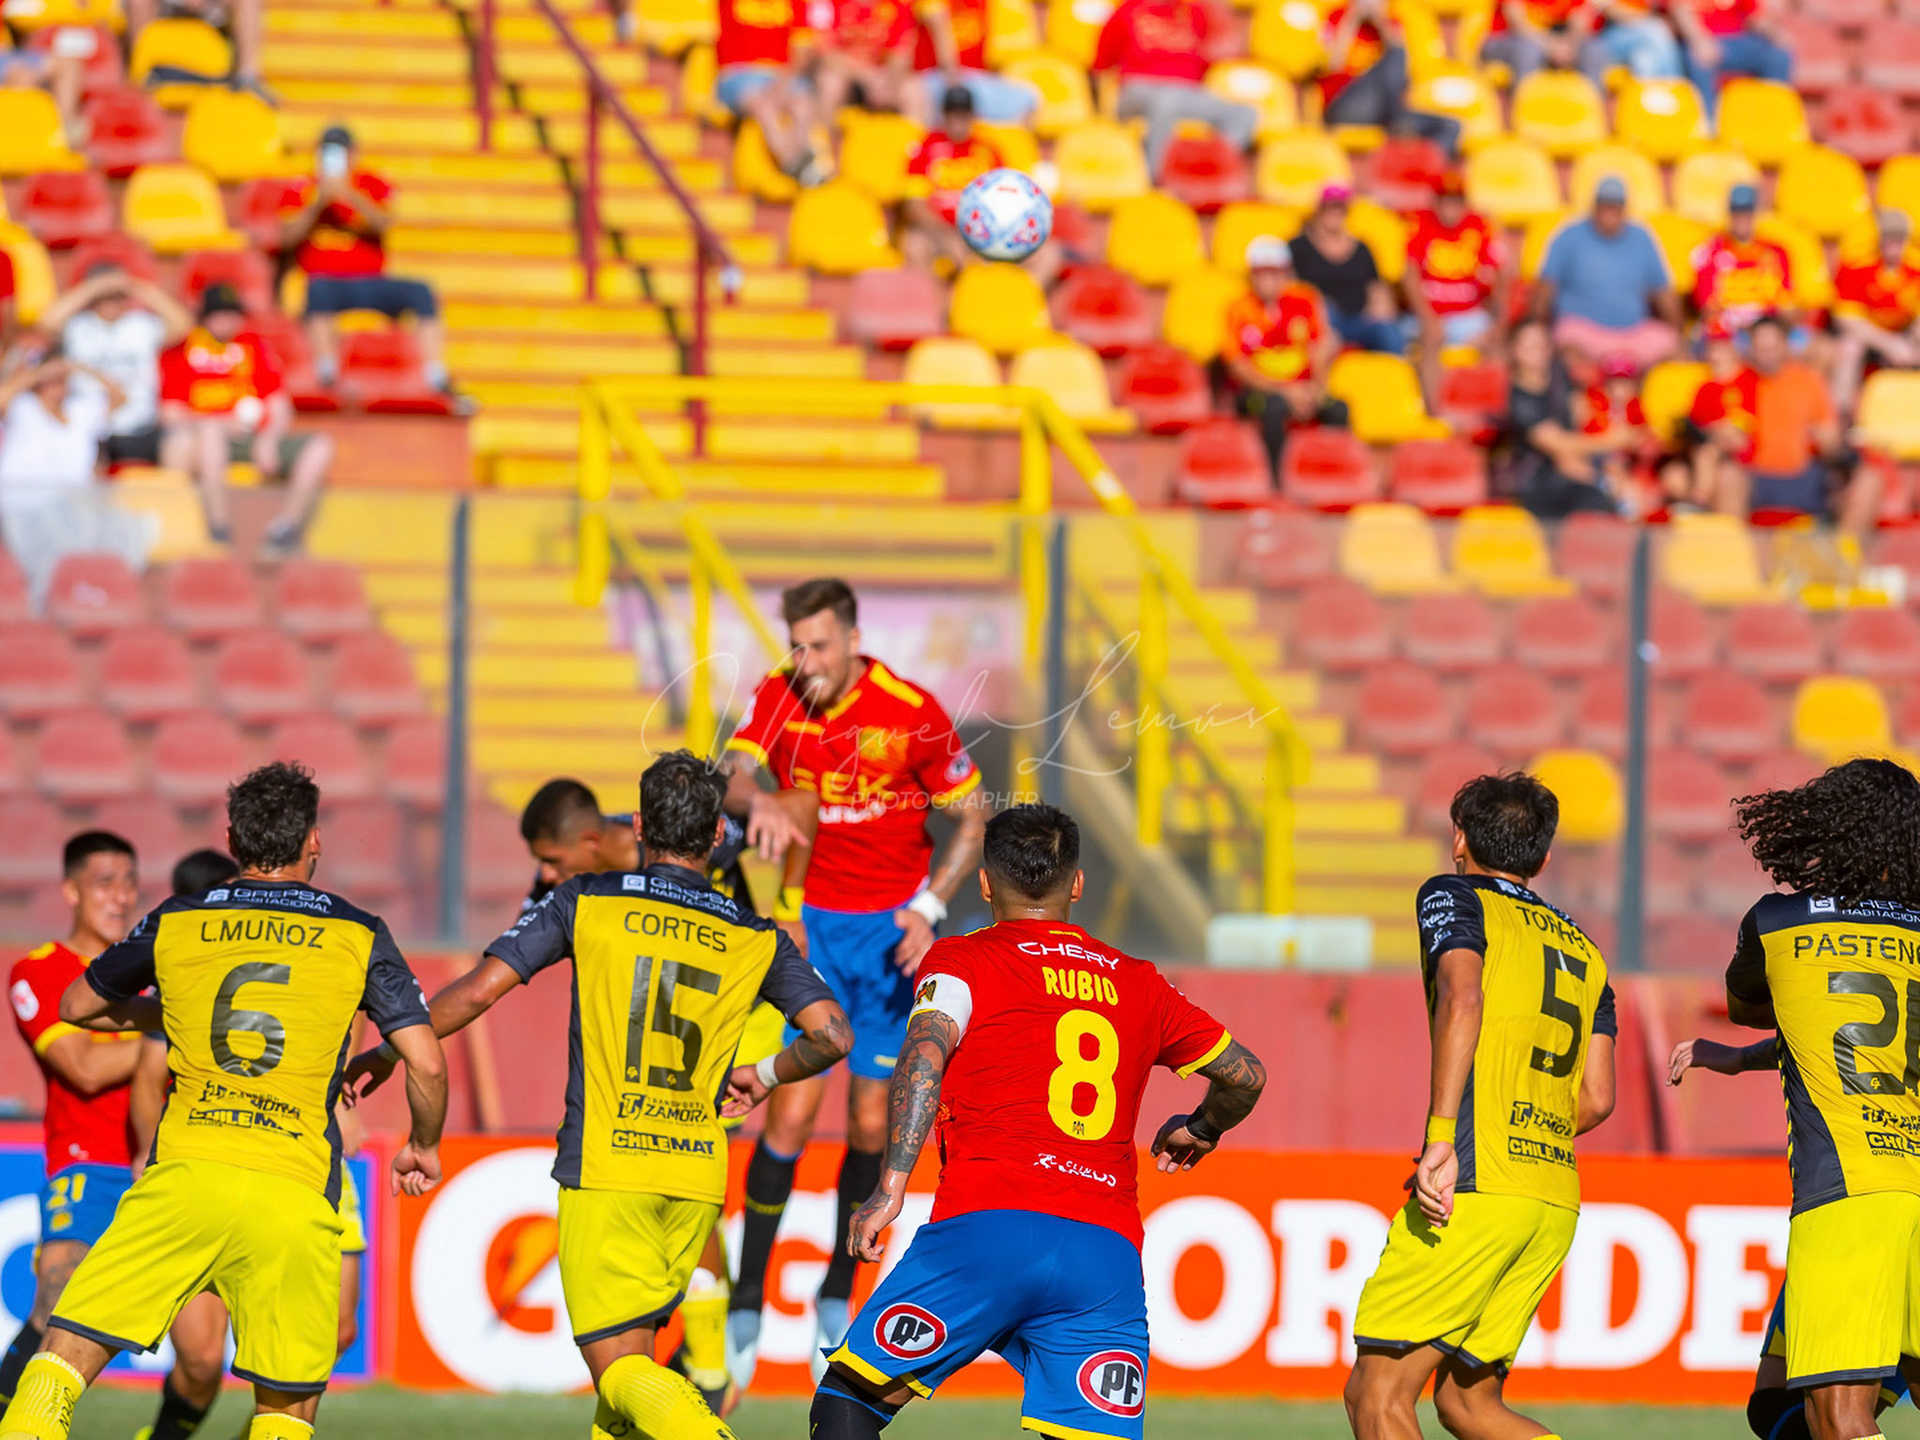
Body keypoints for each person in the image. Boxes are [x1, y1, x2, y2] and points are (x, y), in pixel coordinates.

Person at [345, 750, 855, 1440]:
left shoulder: (584, 902)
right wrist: (763, 1076)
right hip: (695, 1175)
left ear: (639, 825)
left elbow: (476, 992)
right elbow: (832, 1036)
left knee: (618, 1369)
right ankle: (708, 1369)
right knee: (619, 1407)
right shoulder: (755, 936)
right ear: (714, 838)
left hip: (608, 1168)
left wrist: (386, 1047)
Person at [0, 761, 448, 1440]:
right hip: (294, 1193)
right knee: (283, 1413)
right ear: (314, 842)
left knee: (61, 1362)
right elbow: (427, 1062)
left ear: (234, 839)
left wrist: (175, 1017)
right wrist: (424, 1142)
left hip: (185, 1180)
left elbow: (79, 1005)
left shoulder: (181, 918)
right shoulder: (359, 931)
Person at [809, 803, 1266, 1439]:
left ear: (986, 884)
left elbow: (923, 1055)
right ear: (1077, 884)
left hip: (986, 1225)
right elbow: (1246, 1075)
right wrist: (1203, 1127)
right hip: (1103, 1254)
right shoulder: (1140, 982)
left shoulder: (962, 959)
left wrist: (890, 1185)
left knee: (848, 1400)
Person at [721, 577, 989, 1385]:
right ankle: (747, 1294)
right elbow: (730, 776)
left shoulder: (910, 711)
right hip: (807, 928)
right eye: (797, 644)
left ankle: (839, 1291)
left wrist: (932, 906)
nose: (806, 661)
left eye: (820, 645)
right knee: (790, 1117)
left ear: (853, 638)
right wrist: (759, 797)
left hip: (886, 943)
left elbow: (972, 818)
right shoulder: (779, 694)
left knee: (873, 1122)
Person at [514, 776, 801, 1416]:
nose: (544, 874)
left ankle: (709, 1364)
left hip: (726, 1026)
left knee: (673, 1152)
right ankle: (705, 1355)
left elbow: (767, 815)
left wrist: (780, 865)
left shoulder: (688, 842)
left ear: (592, 843)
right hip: (648, 1035)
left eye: (553, 862)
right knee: (677, 1174)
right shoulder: (574, 889)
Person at [1345, 772, 1617, 1440]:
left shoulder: (1453, 895)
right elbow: (1599, 1098)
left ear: (1459, 838)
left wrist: (1444, 1138)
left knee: (1377, 1396)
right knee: (1468, 1404)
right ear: (1544, 860)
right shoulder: (1587, 952)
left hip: (1473, 1184)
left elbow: (1463, 996)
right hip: (1550, 1194)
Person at [1724, 758, 1920, 1440]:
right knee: (1786, 1413)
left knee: (1835, 1418)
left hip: (1850, 1192)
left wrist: (1742, 1051)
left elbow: (1750, 1006)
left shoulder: (1778, 921)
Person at [0, 834, 144, 1411]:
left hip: (162, 1169)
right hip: (87, 1164)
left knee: (205, 1353)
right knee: (56, 1298)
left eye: (129, 882)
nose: (120, 896)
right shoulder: (39, 972)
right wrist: (169, 1032)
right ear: (70, 890)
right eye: (104, 882)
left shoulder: (149, 972)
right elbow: (83, 1067)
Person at [277, 126, 459, 404]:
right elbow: (286, 236)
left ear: (353, 155)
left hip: (371, 281)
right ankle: (327, 371)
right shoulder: (302, 187)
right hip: (326, 281)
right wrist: (317, 204)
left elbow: (384, 223)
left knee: (421, 292)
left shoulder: (370, 183)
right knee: (318, 292)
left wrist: (349, 195)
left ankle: (434, 373)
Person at [157, 283, 334, 559]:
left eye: (232, 314)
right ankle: (219, 527)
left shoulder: (253, 346)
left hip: (251, 436)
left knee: (320, 445)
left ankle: (286, 528)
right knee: (209, 432)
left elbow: (279, 405)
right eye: (219, 314)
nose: (227, 321)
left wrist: (269, 439)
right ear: (204, 317)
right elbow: (169, 414)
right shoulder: (182, 351)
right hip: (200, 438)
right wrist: (218, 421)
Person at [0, 357, 151, 608]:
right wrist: (37, 374)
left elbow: (121, 398)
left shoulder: (81, 411)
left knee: (116, 534)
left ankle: (82, 592)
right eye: (49, 383)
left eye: (60, 382)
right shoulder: (23, 407)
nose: (55, 387)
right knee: (36, 560)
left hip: (71, 499)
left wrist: (81, 368)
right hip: (23, 499)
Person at [38, 264, 196, 468]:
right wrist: (92, 288)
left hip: (139, 429)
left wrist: (134, 286)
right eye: (105, 296)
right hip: (90, 430)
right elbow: (45, 323)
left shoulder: (141, 325)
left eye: (116, 295)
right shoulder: (78, 326)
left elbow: (183, 323)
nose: (111, 301)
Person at [1735, 315, 1878, 534]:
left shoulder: (1809, 381)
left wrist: (1828, 443)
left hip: (1805, 475)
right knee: (1729, 476)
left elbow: (1830, 438)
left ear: (1785, 345)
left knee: (1868, 479)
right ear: (1751, 348)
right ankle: (1730, 558)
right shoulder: (1738, 382)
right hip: (1754, 476)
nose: (1766, 354)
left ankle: (1845, 559)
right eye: (1760, 347)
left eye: (1772, 347)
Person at [1223, 236, 1348, 483]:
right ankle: (1276, 481)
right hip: (1259, 391)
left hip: (1301, 387)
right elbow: (1237, 366)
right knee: (1273, 408)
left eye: (1275, 273)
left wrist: (1315, 388)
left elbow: (1321, 346)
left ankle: (1330, 476)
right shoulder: (1238, 309)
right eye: (1262, 274)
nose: (1269, 281)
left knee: (1337, 409)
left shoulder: (1304, 300)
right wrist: (1285, 391)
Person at [1091, 0, 1255, 177]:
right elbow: (1102, 63)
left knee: (1244, 113)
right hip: (1139, 89)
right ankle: (1154, 179)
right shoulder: (1127, 11)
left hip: (1188, 92)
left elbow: (1215, 56)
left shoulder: (1193, 13)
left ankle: (1215, 173)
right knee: (1167, 102)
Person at [1535, 175, 1682, 369]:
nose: (1609, 212)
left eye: (1615, 206)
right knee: (1567, 348)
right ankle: (1587, 398)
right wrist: (1537, 328)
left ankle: (1636, 398)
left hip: (1632, 333)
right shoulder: (1569, 236)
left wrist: (1679, 332)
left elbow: (1663, 293)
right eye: (1605, 205)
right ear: (1595, 206)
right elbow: (1546, 288)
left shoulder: (1641, 237)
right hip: (1583, 333)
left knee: (1674, 349)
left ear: (1624, 209)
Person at [1404, 170, 1509, 407]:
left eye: (1455, 200)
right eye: (1444, 200)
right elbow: (1409, 277)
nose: (1450, 207)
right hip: (1430, 315)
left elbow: (1502, 275)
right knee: (1430, 338)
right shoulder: (1420, 223)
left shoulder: (1480, 225)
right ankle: (1437, 412)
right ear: (1436, 201)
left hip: (1468, 315)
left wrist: (1499, 322)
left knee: (1498, 346)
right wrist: (1429, 319)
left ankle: (1492, 414)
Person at [1501, 317, 1622, 516]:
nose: (1537, 350)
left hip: (1577, 463)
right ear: (1513, 350)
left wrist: (1608, 463)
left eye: (1541, 343)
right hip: (1539, 480)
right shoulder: (1519, 400)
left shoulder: (1559, 373)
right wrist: (1610, 443)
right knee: (1594, 500)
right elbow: (1558, 444)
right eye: (1528, 345)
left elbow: (1582, 413)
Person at [1319, 0, 1463, 155]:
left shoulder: (1390, 22)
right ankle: (1399, 125)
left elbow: (1402, 67)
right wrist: (1353, 18)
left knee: (1450, 126)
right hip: (1344, 107)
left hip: (1385, 111)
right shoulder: (1336, 17)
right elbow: (1332, 64)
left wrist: (1380, 22)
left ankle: (1422, 170)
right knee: (1397, 54)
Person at [714, 0, 826, 185]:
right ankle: (795, 163)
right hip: (738, 73)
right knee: (762, 103)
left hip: (782, 74)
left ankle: (799, 162)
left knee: (803, 102)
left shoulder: (796, 3)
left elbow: (802, 50)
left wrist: (782, 83)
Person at [901, 85, 1004, 274]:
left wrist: (975, 235)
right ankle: (937, 302)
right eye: (952, 112)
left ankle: (1014, 300)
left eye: (964, 113)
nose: (958, 119)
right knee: (914, 245)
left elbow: (1004, 201)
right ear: (943, 114)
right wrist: (946, 234)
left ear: (972, 115)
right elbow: (913, 206)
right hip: (937, 230)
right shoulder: (925, 148)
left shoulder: (988, 150)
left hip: (981, 230)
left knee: (1048, 254)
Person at [1291, 185, 1404, 354]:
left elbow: (1376, 287)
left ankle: (1399, 372)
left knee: (1387, 329)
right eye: (1330, 207)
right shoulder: (1299, 246)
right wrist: (1312, 303)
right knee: (1325, 314)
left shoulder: (1361, 248)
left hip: (1359, 318)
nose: (1335, 213)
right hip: (1321, 320)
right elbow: (1288, 286)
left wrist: (1381, 306)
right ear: (1319, 209)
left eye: (1340, 207)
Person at [1831, 208, 1920, 416]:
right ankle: (1841, 416)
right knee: (1849, 348)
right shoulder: (1858, 267)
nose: (1894, 246)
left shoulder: (1915, 266)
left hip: (1904, 333)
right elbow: (1847, 319)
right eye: (1889, 238)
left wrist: (1914, 336)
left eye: (1899, 239)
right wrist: (1889, 344)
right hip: (1870, 337)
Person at [1671, 319, 1757, 514]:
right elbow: (1697, 425)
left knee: (1709, 453)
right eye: (1712, 347)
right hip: (1712, 444)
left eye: (1723, 347)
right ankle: (1698, 505)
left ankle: (1699, 500)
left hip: (1743, 445)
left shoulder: (1749, 378)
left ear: (1735, 348)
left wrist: (1725, 429)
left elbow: (1750, 420)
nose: (1717, 353)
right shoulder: (1704, 388)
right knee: (1679, 472)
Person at [1690, 184, 1796, 337]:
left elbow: (1788, 306)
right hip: (1728, 332)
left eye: (1747, 212)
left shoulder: (1777, 252)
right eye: (1736, 212)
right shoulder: (1709, 252)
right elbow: (1707, 307)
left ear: (1755, 213)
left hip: (1770, 330)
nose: (1741, 218)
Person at [910, 0, 1035, 121]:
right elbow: (940, 33)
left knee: (1027, 99)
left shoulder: (984, 3)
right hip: (937, 77)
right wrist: (954, 85)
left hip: (972, 79)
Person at [1673, 0, 1790, 110]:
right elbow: (1680, 9)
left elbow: (1754, 17)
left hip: (1739, 41)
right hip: (1704, 40)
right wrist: (1699, 40)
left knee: (1777, 56)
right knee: (1697, 60)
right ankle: (1707, 120)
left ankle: (1772, 115)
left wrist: (1775, 33)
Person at [814, 0, 919, 118]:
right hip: (846, 73)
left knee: (913, 89)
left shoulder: (897, 5)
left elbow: (901, 55)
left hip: (881, 74)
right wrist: (863, 76)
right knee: (830, 83)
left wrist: (890, 83)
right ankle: (827, 134)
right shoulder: (829, 4)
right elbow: (827, 55)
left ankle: (914, 135)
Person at [1477, 0, 1595, 83]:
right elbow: (1518, 23)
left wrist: (1567, 46)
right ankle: (1521, 111)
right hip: (1502, 39)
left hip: (1553, 42)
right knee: (1528, 51)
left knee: (1592, 50)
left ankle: (1591, 112)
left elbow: (1581, 22)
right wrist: (1552, 47)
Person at [1576, 0, 1685, 82]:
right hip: (1605, 37)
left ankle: (1648, 108)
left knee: (1643, 60)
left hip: (1643, 37)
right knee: (1655, 30)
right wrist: (1645, 19)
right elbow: (1611, 10)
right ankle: (1674, 88)